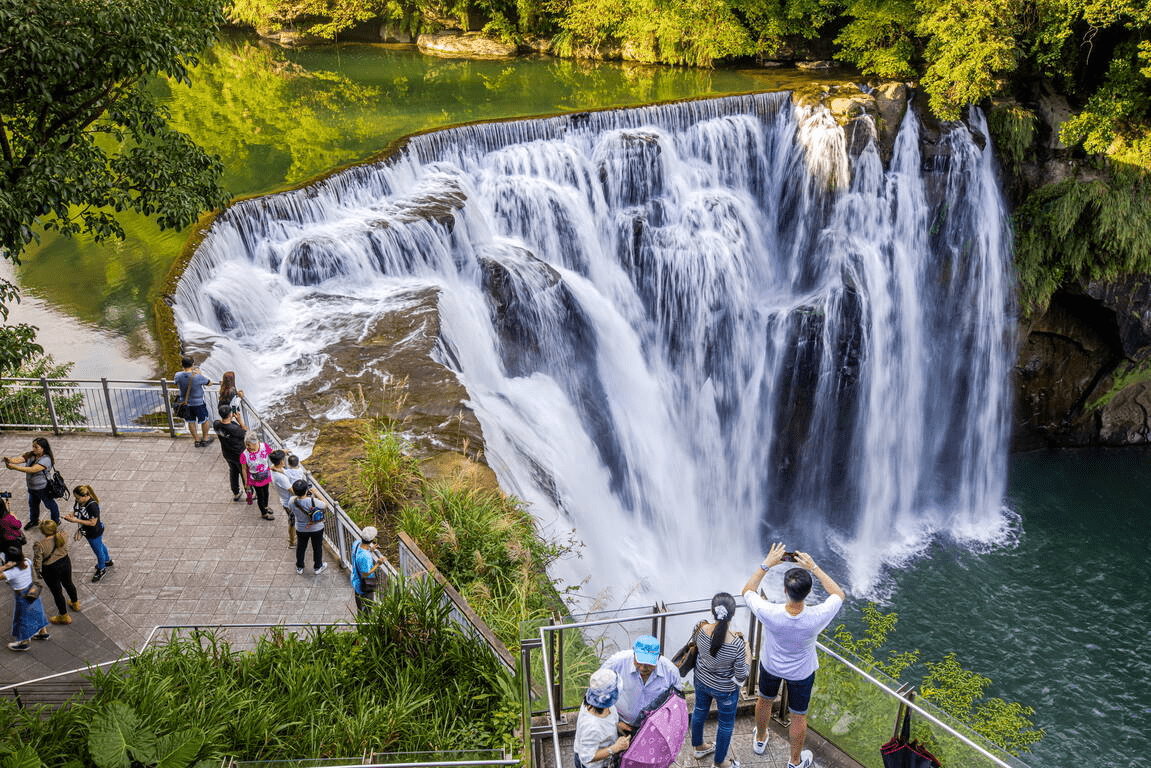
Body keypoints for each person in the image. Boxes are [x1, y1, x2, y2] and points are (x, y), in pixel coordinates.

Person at [742, 543, 846, 768]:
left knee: (764, 700)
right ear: (808, 592)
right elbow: (838, 594)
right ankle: (795, 762)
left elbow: (747, 591)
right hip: (801, 672)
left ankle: (760, 739)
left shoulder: (770, 612)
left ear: (785, 591)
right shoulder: (817, 616)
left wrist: (766, 564)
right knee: (798, 717)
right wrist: (814, 567)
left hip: (771, 666)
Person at [690, 592, 750, 768]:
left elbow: (706, 645)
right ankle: (720, 762)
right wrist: (748, 653)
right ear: (733, 614)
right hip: (726, 690)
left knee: (699, 711)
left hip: (701, 680)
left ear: (712, 611)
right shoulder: (737, 645)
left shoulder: (699, 629)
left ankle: (699, 747)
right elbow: (741, 675)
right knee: (725, 724)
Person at [599, 634, 682, 732]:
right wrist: (614, 721)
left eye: (648, 664)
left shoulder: (671, 672)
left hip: (654, 728)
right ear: (633, 653)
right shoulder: (616, 663)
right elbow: (599, 692)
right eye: (639, 662)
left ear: (658, 657)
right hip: (620, 724)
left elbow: (677, 702)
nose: (643, 668)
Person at [574, 669, 630, 768]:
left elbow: (606, 722)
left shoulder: (597, 703)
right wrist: (615, 748)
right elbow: (587, 757)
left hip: (605, 758)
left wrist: (617, 725)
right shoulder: (591, 726)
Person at [1, 546, 51, 651]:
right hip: (32, 591)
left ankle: (24, 643)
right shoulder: (27, 562)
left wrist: (5, 567)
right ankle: (43, 632)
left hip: (22, 596)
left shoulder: (11, 572)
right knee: (38, 611)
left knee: (22, 619)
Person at [3, 436, 60, 529]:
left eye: (36, 447)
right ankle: (34, 521)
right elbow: (19, 459)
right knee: (33, 505)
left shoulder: (46, 460)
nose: (33, 449)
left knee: (50, 505)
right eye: (33, 446)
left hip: (43, 487)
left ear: (43, 448)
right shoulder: (31, 454)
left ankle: (55, 521)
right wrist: (9, 460)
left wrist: (14, 467)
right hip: (32, 487)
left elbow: (32, 470)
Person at [33, 520, 80, 625]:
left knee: (57, 592)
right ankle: (75, 603)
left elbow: (37, 562)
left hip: (50, 569)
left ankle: (64, 616)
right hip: (65, 562)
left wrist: (37, 572)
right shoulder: (63, 535)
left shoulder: (40, 545)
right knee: (69, 583)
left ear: (43, 532)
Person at [63, 485, 114, 582]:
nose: (76, 500)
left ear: (85, 496)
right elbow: (77, 510)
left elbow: (93, 522)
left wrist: (75, 520)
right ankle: (107, 560)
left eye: (78, 498)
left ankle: (102, 568)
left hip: (94, 532)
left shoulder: (92, 506)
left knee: (98, 550)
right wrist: (72, 514)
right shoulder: (80, 501)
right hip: (88, 531)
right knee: (100, 545)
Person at [173, 355, 213, 447]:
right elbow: (209, 383)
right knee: (204, 420)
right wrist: (200, 373)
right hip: (199, 403)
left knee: (190, 421)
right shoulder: (198, 376)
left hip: (185, 403)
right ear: (193, 364)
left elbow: (175, 383)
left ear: (182, 364)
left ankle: (197, 440)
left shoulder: (178, 375)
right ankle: (205, 438)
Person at [289, 479, 327, 575]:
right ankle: (318, 567)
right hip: (316, 528)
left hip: (301, 529)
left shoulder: (292, 501)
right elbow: (325, 504)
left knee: (301, 548)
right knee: (317, 547)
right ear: (307, 490)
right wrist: (317, 493)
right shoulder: (314, 501)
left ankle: (300, 567)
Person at [212, 404, 248, 501]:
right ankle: (250, 493)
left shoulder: (216, 424)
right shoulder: (234, 429)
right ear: (230, 414)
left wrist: (230, 418)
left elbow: (222, 422)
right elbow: (245, 432)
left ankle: (236, 492)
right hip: (239, 454)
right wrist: (239, 420)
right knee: (244, 472)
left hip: (227, 453)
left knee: (233, 471)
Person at [351, 526, 385, 613]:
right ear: (372, 540)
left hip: (356, 581)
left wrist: (370, 550)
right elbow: (365, 574)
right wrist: (378, 564)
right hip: (364, 585)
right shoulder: (365, 556)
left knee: (360, 608)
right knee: (366, 609)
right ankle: (365, 624)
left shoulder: (356, 544)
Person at [241, 433, 274, 520]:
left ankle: (266, 507)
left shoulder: (264, 446)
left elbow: (272, 453)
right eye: (246, 444)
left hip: (266, 476)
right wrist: (246, 483)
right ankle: (264, 513)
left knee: (266, 493)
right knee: (260, 495)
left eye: (249, 444)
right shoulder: (244, 455)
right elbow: (244, 469)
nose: (247, 446)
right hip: (255, 479)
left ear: (255, 442)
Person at [283, 454, 306, 547]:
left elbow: (282, 470)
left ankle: (292, 541)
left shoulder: (287, 472)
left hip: (291, 498)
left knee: (291, 521)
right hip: (301, 497)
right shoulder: (301, 471)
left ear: (288, 463)